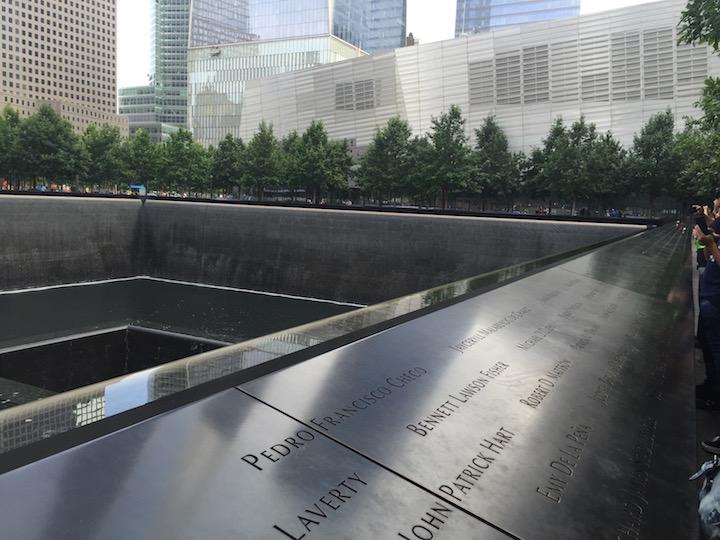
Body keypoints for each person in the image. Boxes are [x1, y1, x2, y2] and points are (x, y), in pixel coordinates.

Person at [694, 224, 720, 409]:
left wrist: (710, 243)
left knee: (717, 352)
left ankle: (715, 398)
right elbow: (710, 258)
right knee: (709, 350)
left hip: (716, 302)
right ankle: (710, 387)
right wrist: (705, 243)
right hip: (709, 298)